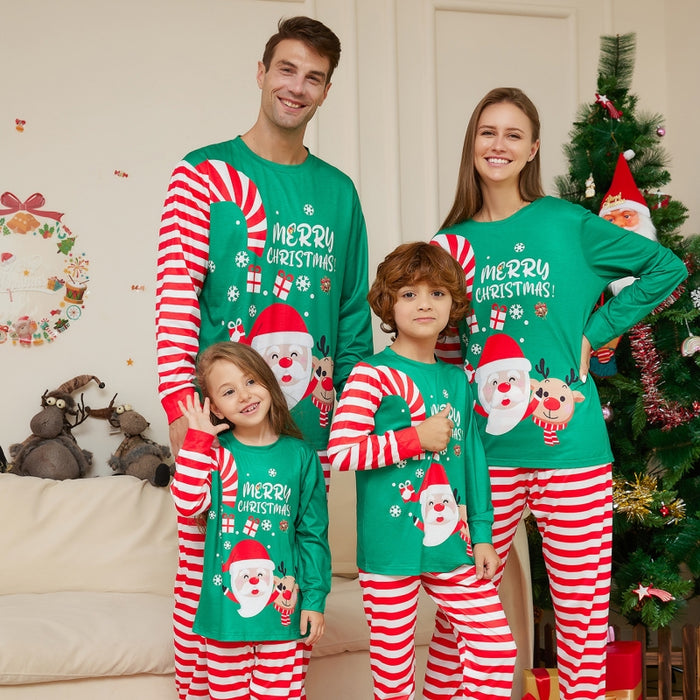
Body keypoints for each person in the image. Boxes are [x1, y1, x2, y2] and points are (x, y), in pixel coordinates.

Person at [432, 87, 688, 700]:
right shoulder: (450, 243)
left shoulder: (569, 225)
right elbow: (443, 349)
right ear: (472, 143)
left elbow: (667, 268)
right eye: (487, 131)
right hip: (483, 455)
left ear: (533, 149)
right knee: (459, 614)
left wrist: (596, 333)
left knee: (579, 621)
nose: (498, 144)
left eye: (513, 134)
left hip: (571, 452)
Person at [155, 16, 373, 698]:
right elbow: (175, 301)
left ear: (326, 91)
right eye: (287, 69)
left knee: (284, 596)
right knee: (207, 591)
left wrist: (353, 423)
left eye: (313, 77)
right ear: (261, 71)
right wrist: (181, 414)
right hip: (215, 418)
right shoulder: (204, 173)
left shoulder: (338, 193)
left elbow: (351, 320)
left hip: (308, 424)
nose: (296, 87)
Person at [327, 242, 517, 700]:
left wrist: (486, 534)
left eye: (436, 293)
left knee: (495, 649)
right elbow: (342, 452)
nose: (424, 303)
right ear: (388, 304)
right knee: (393, 681)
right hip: (388, 553)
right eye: (409, 294)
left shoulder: (457, 379)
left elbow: (473, 458)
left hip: (451, 543)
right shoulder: (370, 374)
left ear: (453, 304)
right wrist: (414, 438)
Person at [171, 341, 331, 699]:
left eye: (250, 382)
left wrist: (316, 600)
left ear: (267, 382)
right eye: (229, 391)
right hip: (224, 616)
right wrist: (196, 441)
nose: (244, 395)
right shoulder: (214, 455)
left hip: (283, 611)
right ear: (215, 406)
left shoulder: (301, 456)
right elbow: (186, 503)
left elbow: (312, 535)